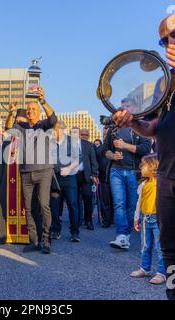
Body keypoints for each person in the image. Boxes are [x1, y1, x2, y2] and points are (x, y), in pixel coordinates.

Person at [112, 13, 175, 300]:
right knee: (171, 251)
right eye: (164, 39)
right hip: (167, 177)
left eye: (174, 35)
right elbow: (152, 128)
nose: (168, 43)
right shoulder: (166, 85)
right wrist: (131, 122)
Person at [6, 88, 57, 254]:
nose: (30, 112)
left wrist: (43, 101)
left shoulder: (44, 125)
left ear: (39, 112)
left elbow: (53, 118)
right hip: (26, 172)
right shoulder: (22, 127)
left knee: (44, 205)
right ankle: (34, 241)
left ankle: (46, 240)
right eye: (28, 110)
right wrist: (11, 113)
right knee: (29, 208)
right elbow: (8, 129)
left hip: (44, 171)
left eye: (33, 109)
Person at [102, 100, 151, 250]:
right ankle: (121, 235)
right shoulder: (114, 128)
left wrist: (125, 146)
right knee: (119, 203)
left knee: (131, 206)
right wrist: (112, 155)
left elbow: (146, 148)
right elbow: (104, 149)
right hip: (115, 170)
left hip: (133, 171)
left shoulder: (141, 127)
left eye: (128, 107)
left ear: (135, 109)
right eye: (123, 107)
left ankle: (127, 234)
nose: (124, 110)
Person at [0, 109, 30, 245]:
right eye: (17, 122)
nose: (19, 125)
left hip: (25, 178)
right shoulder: (9, 137)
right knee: (5, 204)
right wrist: (10, 114)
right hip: (8, 179)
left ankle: (28, 235)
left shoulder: (30, 136)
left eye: (22, 122)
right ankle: (3, 234)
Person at [130, 154, 166, 285]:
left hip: (159, 220)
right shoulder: (143, 184)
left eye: (143, 165)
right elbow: (139, 203)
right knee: (145, 245)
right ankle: (145, 268)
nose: (140, 167)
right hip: (145, 218)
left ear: (153, 167)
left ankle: (162, 272)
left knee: (160, 247)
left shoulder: (162, 183)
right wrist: (136, 218)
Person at [50, 121, 80, 242]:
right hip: (55, 178)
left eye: (57, 129)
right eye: (54, 129)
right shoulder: (50, 142)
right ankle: (56, 230)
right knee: (54, 206)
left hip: (69, 177)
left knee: (72, 205)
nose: (55, 132)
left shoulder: (71, 141)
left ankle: (75, 232)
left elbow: (78, 159)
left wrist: (69, 168)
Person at [76, 128, 99, 230]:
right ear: (79, 135)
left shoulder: (90, 145)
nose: (84, 136)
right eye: (82, 134)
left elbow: (94, 161)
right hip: (74, 175)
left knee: (88, 199)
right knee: (75, 200)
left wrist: (94, 174)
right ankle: (77, 220)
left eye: (86, 135)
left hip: (87, 176)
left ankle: (88, 220)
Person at [96, 127, 114, 228]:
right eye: (104, 135)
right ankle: (106, 220)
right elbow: (95, 163)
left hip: (115, 177)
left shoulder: (115, 148)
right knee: (105, 201)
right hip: (103, 178)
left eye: (107, 135)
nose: (105, 137)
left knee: (115, 200)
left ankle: (113, 219)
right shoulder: (99, 149)